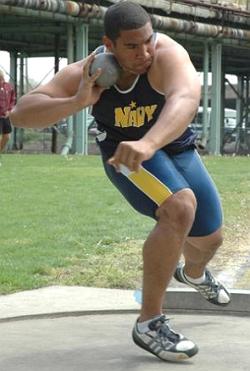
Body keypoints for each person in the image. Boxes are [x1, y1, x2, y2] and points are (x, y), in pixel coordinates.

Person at [10, 1, 231, 363]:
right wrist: (78, 101)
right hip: (124, 158)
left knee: (210, 237)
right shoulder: (88, 71)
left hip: (171, 146)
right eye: (132, 45)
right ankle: (150, 324)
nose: (144, 52)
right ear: (108, 44)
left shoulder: (166, 54)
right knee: (179, 208)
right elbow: (20, 115)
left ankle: (193, 275)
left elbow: (187, 97)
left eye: (147, 41)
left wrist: (148, 142)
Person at [0, 69, 15, 152]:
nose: (2, 80)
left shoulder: (9, 87)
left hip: (5, 116)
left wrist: (9, 110)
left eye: (2, 78)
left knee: (7, 136)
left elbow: (13, 99)